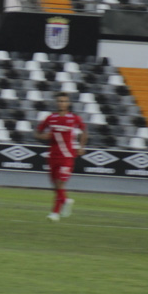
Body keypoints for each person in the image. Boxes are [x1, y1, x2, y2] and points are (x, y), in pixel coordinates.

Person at [34, 92, 87, 222]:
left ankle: (55, 212)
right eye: (59, 101)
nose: (61, 103)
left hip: (67, 156)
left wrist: (81, 147)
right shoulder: (50, 118)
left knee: (60, 183)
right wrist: (42, 137)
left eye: (64, 101)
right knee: (56, 186)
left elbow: (84, 132)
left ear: (68, 103)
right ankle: (64, 201)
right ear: (56, 103)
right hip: (53, 156)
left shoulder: (74, 118)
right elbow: (37, 133)